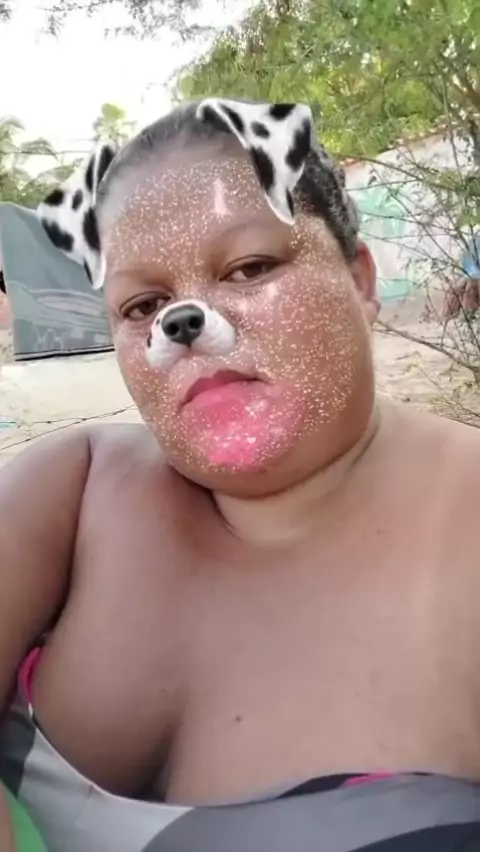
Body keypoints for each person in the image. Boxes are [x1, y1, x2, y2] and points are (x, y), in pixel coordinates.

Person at [1, 97, 480, 852]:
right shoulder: (71, 489)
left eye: (251, 267)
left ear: (360, 281)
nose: (184, 320)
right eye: (143, 304)